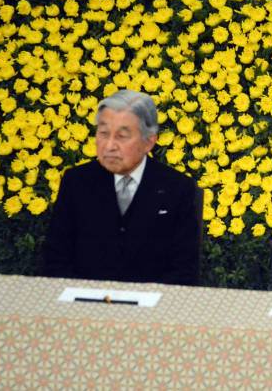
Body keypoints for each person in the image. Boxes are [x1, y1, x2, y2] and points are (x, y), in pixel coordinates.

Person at [44, 89, 200, 285]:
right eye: (103, 133)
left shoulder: (177, 188)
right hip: (84, 303)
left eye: (122, 136)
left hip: (152, 306)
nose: (109, 146)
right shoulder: (76, 182)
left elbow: (184, 269)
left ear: (149, 142)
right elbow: (55, 259)